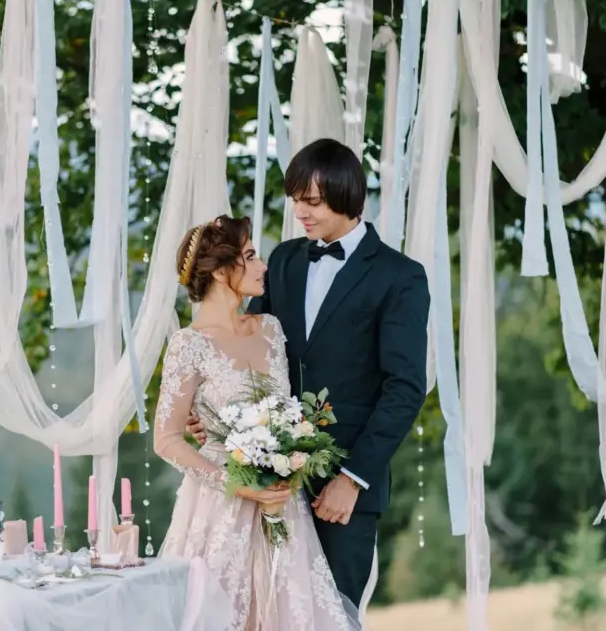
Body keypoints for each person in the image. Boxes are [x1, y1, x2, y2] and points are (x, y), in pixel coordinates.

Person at [185, 138, 430, 608]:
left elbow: (405, 388)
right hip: (265, 483)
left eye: (312, 201)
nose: (301, 211)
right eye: (296, 199)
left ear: (346, 195)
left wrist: (353, 478)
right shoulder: (284, 260)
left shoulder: (401, 277)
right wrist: (213, 414)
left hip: (344, 489)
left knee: (332, 613)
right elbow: (248, 351)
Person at [155, 214, 361, 631]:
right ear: (218, 271)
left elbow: (284, 411)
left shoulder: (270, 329)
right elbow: (167, 439)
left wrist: (292, 456)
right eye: (249, 256)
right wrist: (235, 482)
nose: (262, 265)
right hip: (220, 506)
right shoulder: (188, 345)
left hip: (284, 503)